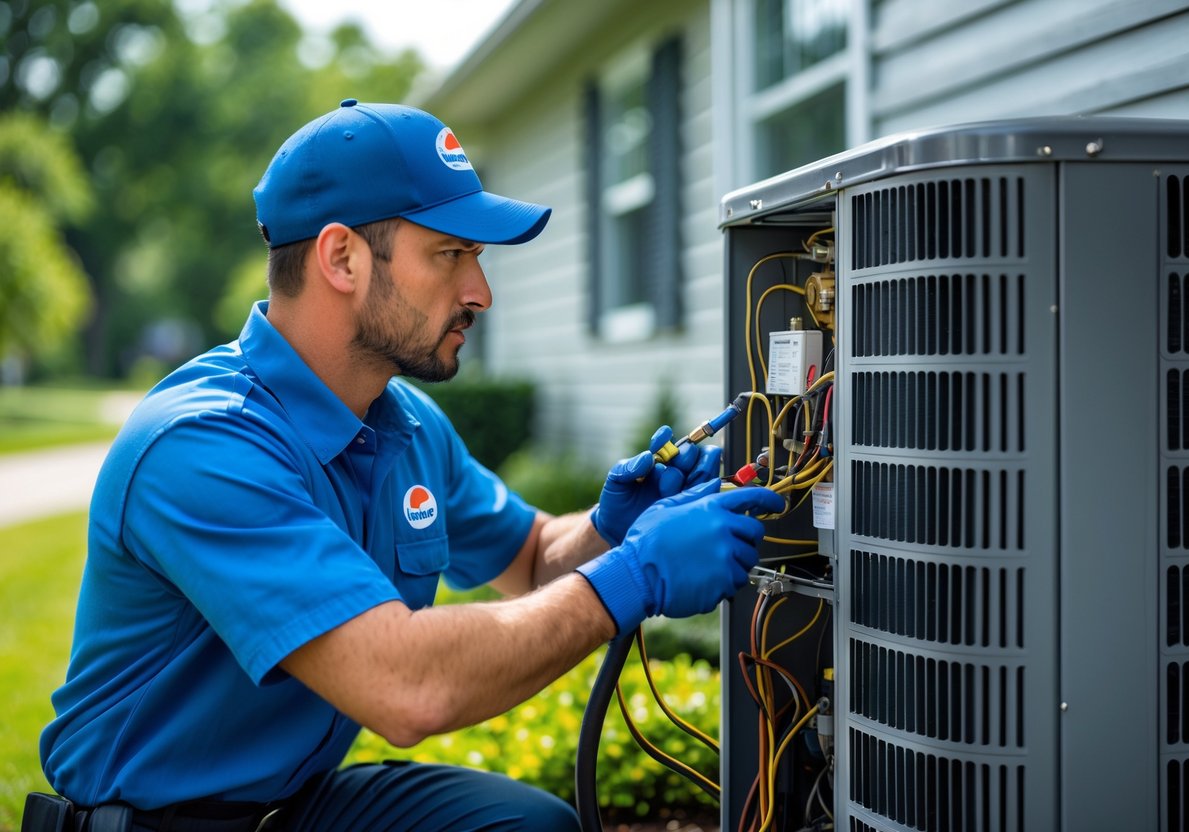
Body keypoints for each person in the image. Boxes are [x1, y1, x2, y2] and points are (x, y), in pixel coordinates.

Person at [34, 99, 784, 832]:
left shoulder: (406, 423)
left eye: (476, 260)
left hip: (295, 805)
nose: (479, 293)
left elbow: (528, 559)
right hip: (157, 821)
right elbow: (405, 688)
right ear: (342, 258)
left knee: (525, 824)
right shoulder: (203, 446)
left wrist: (608, 530)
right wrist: (636, 575)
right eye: (449, 254)